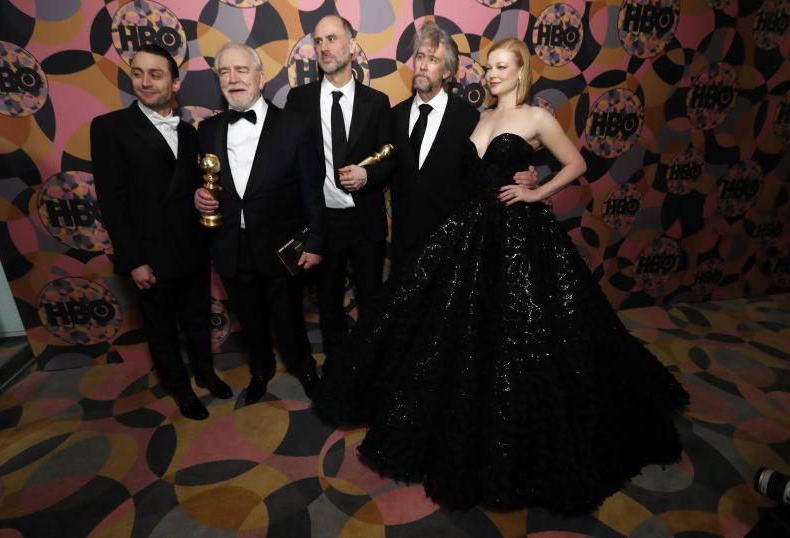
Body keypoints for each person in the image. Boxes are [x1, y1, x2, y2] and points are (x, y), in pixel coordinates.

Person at [313, 38, 689, 513]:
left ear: (520, 71)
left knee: (528, 333)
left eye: (501, 67)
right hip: (470, 232)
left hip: (519, 237)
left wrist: (536, 189)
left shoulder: (536, 117)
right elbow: (464, 173)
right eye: (488, 67)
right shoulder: (481, 118)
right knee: (459, 336)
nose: (491, 74)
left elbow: (575, 163)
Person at [91, 44, 232, 421]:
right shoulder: (109, 128)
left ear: (174, 83)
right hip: (150, 255)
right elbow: (113, 203)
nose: (144, 81)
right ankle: (181, 389)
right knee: (161, 329)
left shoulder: (190, 133)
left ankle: (205, 374)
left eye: (155, 74)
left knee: (198, 319)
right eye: (138, 73)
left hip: (192, 247)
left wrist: (201, 197)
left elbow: (189, 186)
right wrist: (134, 260)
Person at [194, 43, 325, 405]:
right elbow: (205, 184)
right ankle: (261, 370)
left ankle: (303, 366)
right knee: (249, 319)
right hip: (231, 245)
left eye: (241, 70)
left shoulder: (295, 126)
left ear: (260, 76)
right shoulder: (207, 130)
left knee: (288, 318)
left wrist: (315, 242)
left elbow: (313, 189)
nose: (233, 79)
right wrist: (198, 197)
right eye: (224, 72)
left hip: (281, 246)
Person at [390, 22, 538, 275]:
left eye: (433, 59)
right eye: (420, 57)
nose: (423, 65)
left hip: (449, 243)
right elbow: (380, 165)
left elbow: (487, 169)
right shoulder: (393, 116)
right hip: (403, 242)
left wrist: (523, 174)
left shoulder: (470, 119)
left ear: (448, 71)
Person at [284, 15, 394, 357]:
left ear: (351, 45)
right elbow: (290, 165)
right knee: (328, 303)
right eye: (318, 41)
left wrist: (367, 176)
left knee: (371, 300)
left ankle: (369, 368)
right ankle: (336, 369)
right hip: (321, 224)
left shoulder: (376, 102)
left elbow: (390, 159)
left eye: (332, 39)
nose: (324, 47)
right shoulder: (298, 100)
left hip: (365, 221)